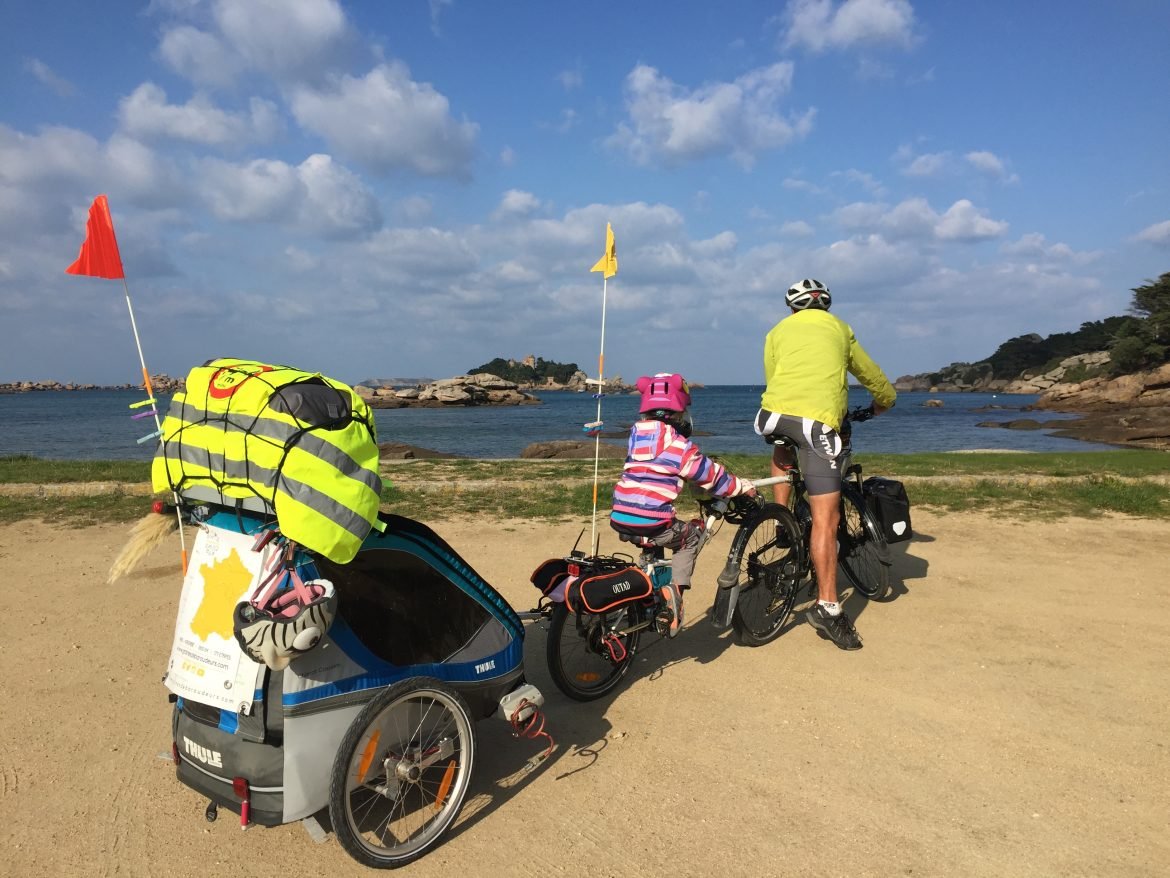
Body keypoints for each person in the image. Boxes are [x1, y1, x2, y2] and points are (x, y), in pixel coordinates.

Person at [755, 279, 896, 650]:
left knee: (784, 452)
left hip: (771, 416)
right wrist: (884, 401)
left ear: (792, 309)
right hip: (817, 424)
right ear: (825, 307)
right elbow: (869, 373)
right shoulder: (840, 328)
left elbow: (775, 375)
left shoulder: (776, 332)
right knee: (827, 518)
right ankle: (828, 608)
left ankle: (781, 520)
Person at [610, 372, 756, 638]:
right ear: (678, 413)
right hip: (653, 521)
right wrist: (741, 486)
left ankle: (648, 594)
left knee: (653, 538)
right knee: (689, 538)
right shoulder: (677, 444)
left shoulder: (636, 436)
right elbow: (710, 475)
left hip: (620, 516)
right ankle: (674, 595)